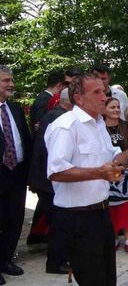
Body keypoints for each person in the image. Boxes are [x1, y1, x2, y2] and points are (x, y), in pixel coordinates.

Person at [45, 72, 128, 286]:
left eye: (104, 91)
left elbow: (113, 161)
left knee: (108, 282)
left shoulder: (98, 124)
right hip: (76, 218)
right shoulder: (65, 126)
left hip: (101, 212)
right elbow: (56, 171)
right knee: (92, 284)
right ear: (78, 97)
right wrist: (98, 173)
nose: (104, 96)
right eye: (97, 92)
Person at [27, 88, 72, 273]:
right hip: (48, 180)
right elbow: (51, 153)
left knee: (58, 220)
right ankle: (56, 262)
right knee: (59, 222)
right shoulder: (58, 119)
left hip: (45, 178)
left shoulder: (53, 115)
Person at [0, 65, 32, 286]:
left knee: (14, 219)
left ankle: (5, 260)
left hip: (17, 173)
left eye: (11, 80)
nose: (11, 84)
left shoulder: (15, 109)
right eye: (5, 80)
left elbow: (25, 140)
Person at [104, 97, 128, 253]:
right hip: (107, 173)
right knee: (110, 208)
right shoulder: (99, 127)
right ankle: (112, 238)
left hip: (127, 174)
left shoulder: (127, 126)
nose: (116, 110)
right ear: (104, 109)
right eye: (112, 107)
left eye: (118, 107)